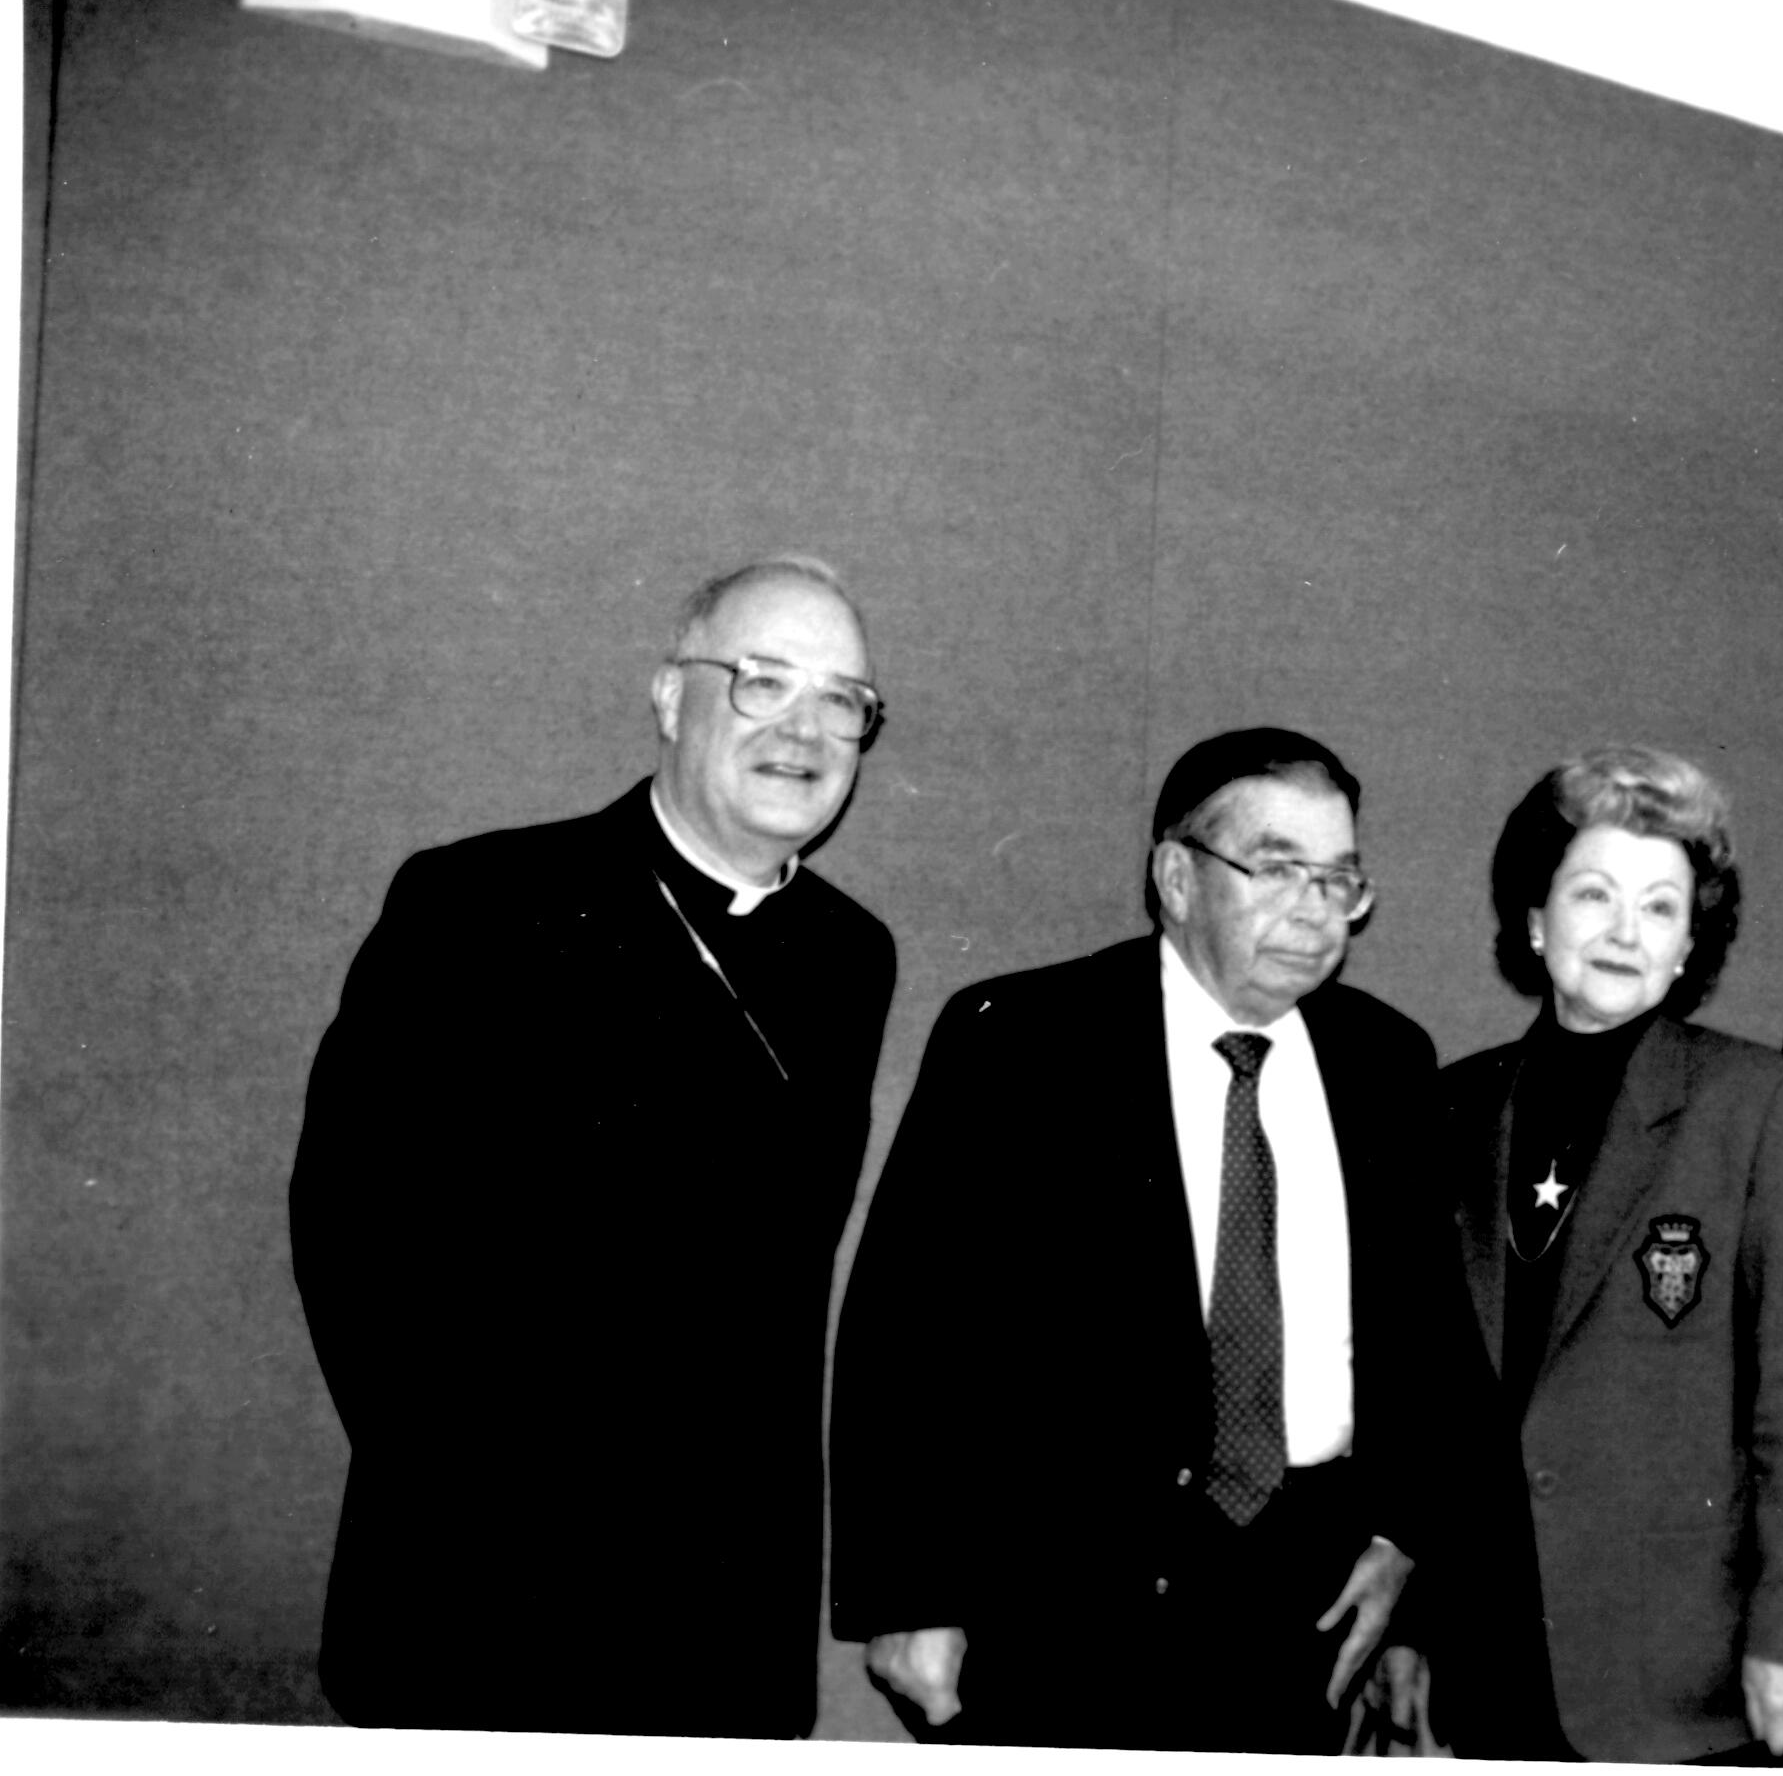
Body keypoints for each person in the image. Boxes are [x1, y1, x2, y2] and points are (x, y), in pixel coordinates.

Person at [288, 556, 898, 1738]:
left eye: (842, 700)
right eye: (763, 681)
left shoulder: (850, 957)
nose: (804, 729)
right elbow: (352, 1238)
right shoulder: (483, 903)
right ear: (671, 696)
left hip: (722, 1632)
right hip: (485, 1610)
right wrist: (479, 1517)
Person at [830, 727, 1496, 1754]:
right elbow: (904, 1323)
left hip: (1304, 1603)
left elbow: (1432, 1340)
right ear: (1177, 877)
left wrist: (1406, 1538)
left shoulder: (1387, 1061)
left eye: (1339, 879)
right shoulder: (1022, 1037)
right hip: (1062, 1601)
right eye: (1279, 869)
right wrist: (909, 1595)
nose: (1315, 909)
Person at [1437, 745, 1783, 1763]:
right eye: (1594, 894)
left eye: (1660, 907)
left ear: (1690, 943)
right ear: (1536, 917)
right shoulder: (1455, 1104)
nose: (1624, 930)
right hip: (1489, 1636)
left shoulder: (1757, 1103)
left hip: (1673, 1659)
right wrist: (1416, 1628)